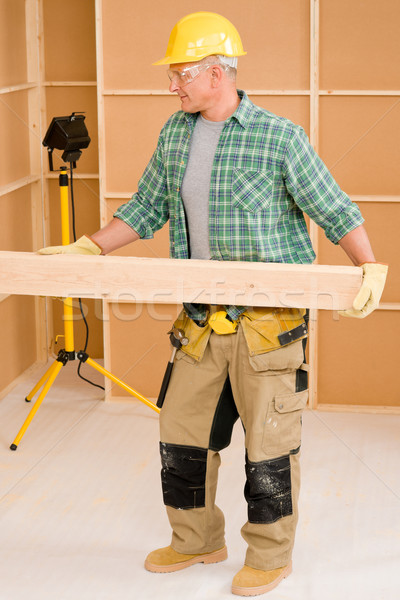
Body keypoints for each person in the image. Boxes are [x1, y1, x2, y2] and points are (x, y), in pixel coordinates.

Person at [39, 12, 388, 597]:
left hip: (268, 329)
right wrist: (87, 247)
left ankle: (270, 556)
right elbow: (146, 208)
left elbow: (336, 208)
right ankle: (197, 540)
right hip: (200, 322)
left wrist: (368, 266)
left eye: (180, 74)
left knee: (270, 450)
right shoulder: (175, 134)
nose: (171, 85)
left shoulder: (280, 137)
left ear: (216, 74)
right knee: (181, 438)